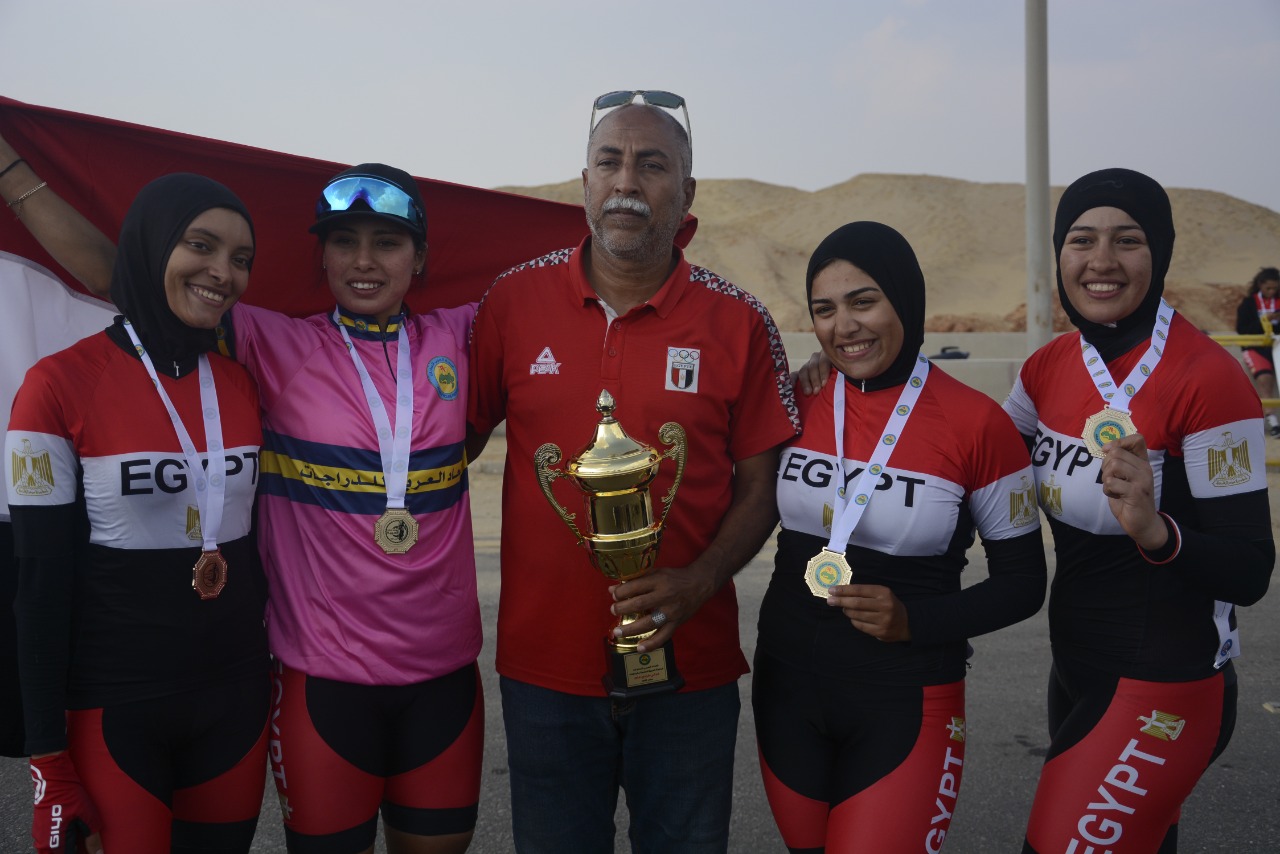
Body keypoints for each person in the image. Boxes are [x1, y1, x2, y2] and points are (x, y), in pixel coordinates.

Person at [2, 136, 483, 853]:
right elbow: (125, 275)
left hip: (443, 673)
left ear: (420, 258)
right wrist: (11, 173)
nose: (363, 261)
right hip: (316, 675)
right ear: (320, 257)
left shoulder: (466, 335)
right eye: (344, 242)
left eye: (387, 243)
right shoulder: (270, 343)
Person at [468, 91, 800, 852]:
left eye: (652, 165)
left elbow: (762, 486)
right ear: (583, 181)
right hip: (544, 672)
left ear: (686, 192)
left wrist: (702, 579)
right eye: (609, 161)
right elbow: (448, 439)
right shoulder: (512, 302)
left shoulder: (740, 321)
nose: (627, 182)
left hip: (691, 669)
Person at [1002, 168, 1274, 852]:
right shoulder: (1046, 368)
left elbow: (1249, 570)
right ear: (1059, 254)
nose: (1101, 261)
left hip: (1166, 683)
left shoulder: (1207, 379)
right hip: (1075, 671)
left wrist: (1158, 532)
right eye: (1081, 240)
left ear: (1160, 252)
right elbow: (976, 468)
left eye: (1127, 240)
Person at [754, 222, 1047, 852]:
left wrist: (915, 620)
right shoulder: (797, 399)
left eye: (863, 302)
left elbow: (1024, 584)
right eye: (824, 310)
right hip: (786, 687)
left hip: (904, 696)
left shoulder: (978, 423)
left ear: (906, 301)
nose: (844, 327)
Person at [4, 173, 270, 852]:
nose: (224, 272)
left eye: (241, 258)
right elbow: (37, 583)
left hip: (236, 694)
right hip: (115, 704)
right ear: (151, 247)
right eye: (201, 245)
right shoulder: (55, 385)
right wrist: (47, 757)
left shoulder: (241, 381)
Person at [1234, 266, 1280, 437]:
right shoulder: (1248, 303)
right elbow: (1242, 329)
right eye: (1268, 288)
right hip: (1255, 347)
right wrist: (1264, 321)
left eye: (1275, 288)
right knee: (1264, 379)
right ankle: (1272, 421)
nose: (1271, 291)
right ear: (1260, 285)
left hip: (1276, 347)